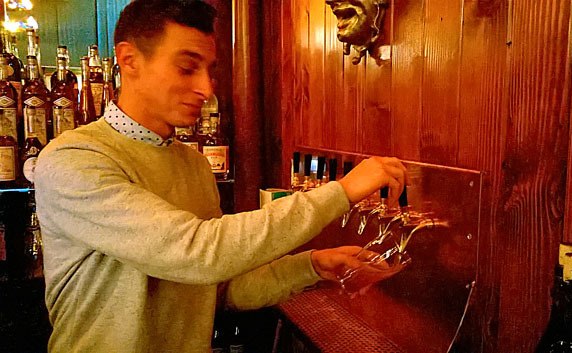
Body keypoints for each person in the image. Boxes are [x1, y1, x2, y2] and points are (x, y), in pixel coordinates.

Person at [34, 1, 408, 352]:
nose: (206, 88)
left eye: (209, 70)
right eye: (186, 67)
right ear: (129, 60)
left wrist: (310, 266)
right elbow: (196, 252)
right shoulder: (75, 159)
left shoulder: (194, 164)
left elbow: (218, 289)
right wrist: (339, 192)